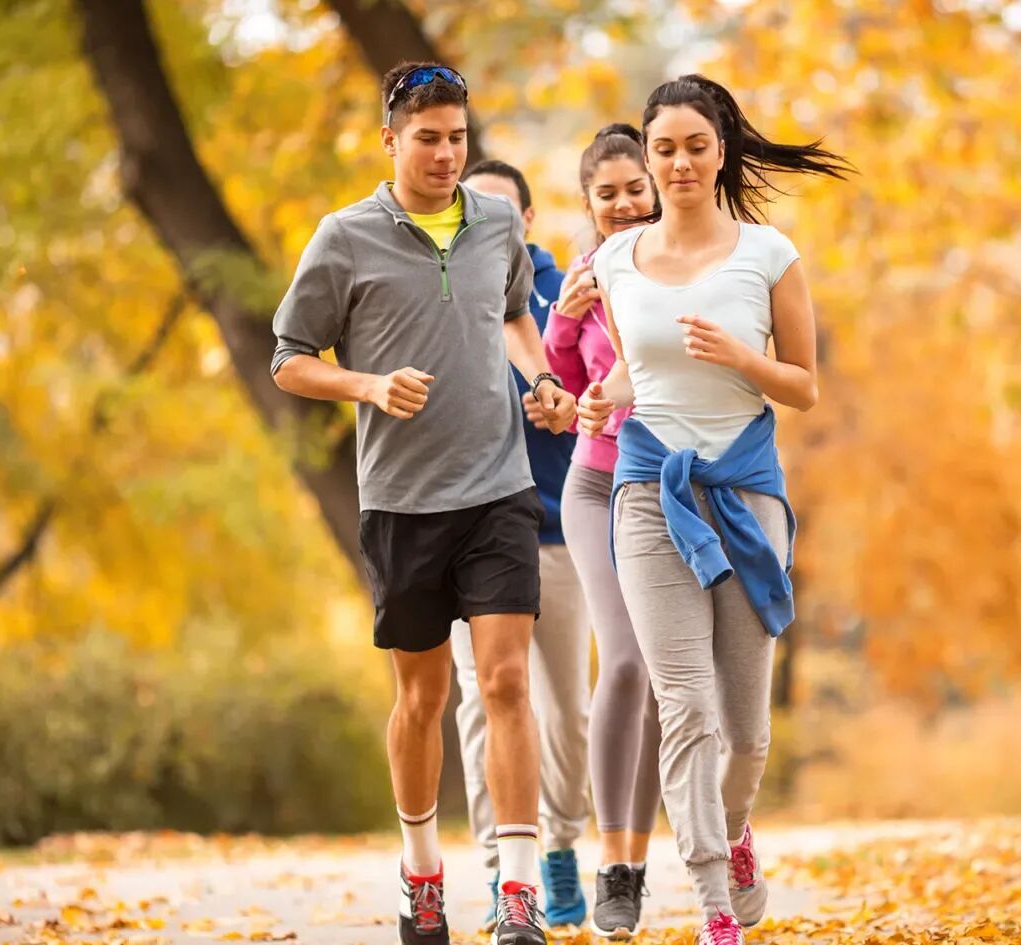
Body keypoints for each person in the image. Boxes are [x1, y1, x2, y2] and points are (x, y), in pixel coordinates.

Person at [270, 61, 576, 945]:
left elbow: (517, 316)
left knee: (509, 680)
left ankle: (516, 893)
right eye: (429, 139)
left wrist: (546, 380)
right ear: (391, 141)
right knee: (423, 697)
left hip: (499, 489)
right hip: (403, 502)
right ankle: (421, 872)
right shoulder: (344, 237)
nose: (447, 155)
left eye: (458, 138)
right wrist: (367, 384)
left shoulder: (495, 225)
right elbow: (289, 358)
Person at [575, 74, 849, 945]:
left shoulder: (769, 255)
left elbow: (804, 386)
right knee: (684, 706)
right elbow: (637, 369)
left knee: (747, 730)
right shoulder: (616, 261)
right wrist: (598, 398)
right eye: (664, 149)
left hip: (743, 491)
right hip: (650, 490)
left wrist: (743, 356)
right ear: (647, 159)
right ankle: (713, 909)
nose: (680, 162)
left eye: (696, 145)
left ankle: (732, 833)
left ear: (720, 150)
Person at [448, 158, 591, 931]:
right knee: (485, 700)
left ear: (528, 222)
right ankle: (508, 864)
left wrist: (565, 403)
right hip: (467, 527)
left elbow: (604, 387)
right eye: (477, 210)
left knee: (568, 710)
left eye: (504, 211)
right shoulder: (445, 288)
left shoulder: (569, 292)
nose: (491, 223)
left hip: (559, 528)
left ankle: (563, 842)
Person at [542, 124, 664, 940]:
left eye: (634, 188)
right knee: (621, 658)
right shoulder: (582, 273)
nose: (623, 203)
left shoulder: (688, 262)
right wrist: (563, 314)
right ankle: (612, 869)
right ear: (589, 203)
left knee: (665, 674)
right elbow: (568, 378)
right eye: (607, 193)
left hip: (672, 485)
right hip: (594, 481)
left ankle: (651, 853)